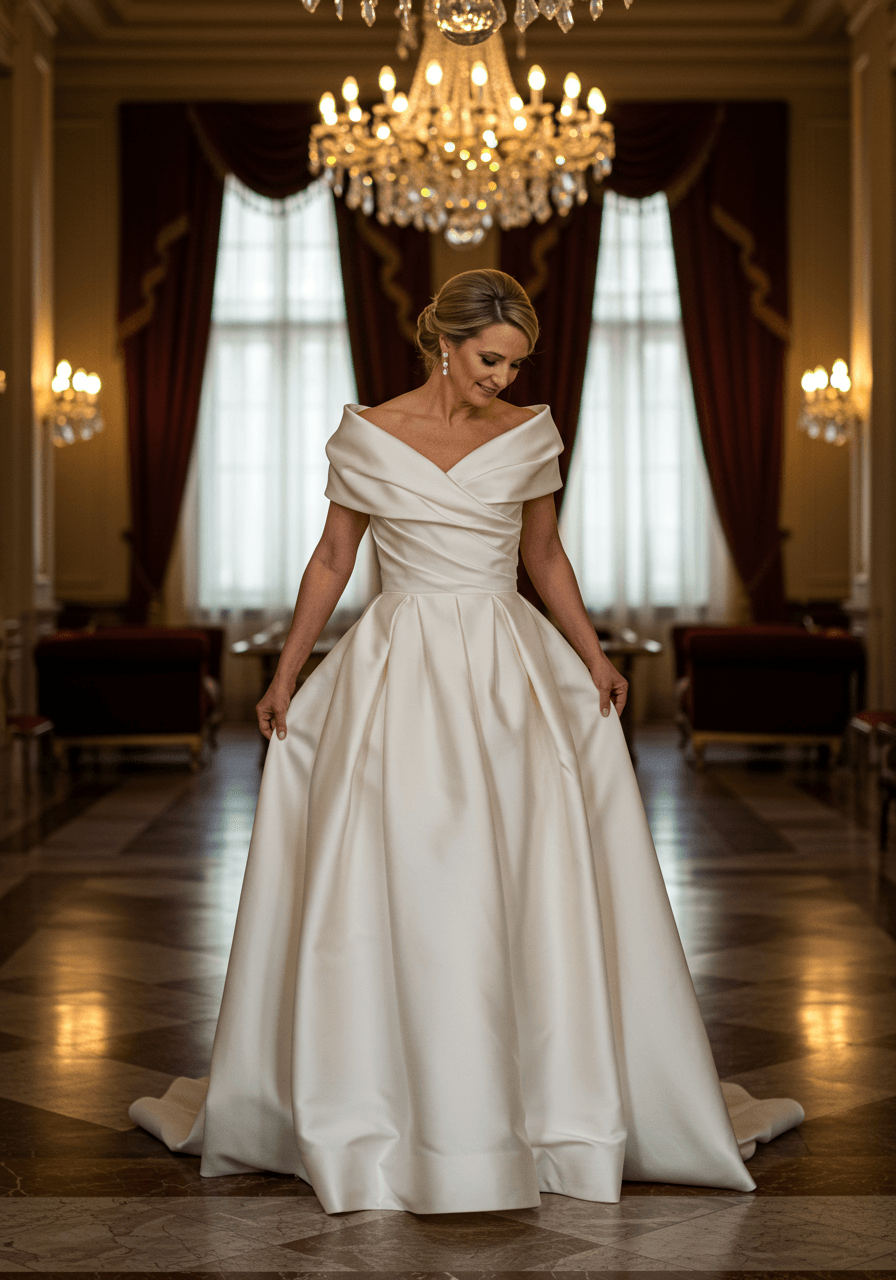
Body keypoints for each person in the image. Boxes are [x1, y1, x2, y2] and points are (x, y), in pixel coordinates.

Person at [131, 268, 802, 1214]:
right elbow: (333, 558)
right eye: (491, 359)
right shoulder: (369, 434)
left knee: (522, 873)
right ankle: (380, 1098)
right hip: (397, 665)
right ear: (443, 343)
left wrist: (595, 655)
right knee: (398, 871)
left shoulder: (529, 432)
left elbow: (544, 555)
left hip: (505, 667)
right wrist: (285, 673)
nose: (503, 378)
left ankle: (540, 1098)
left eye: (517, 364)